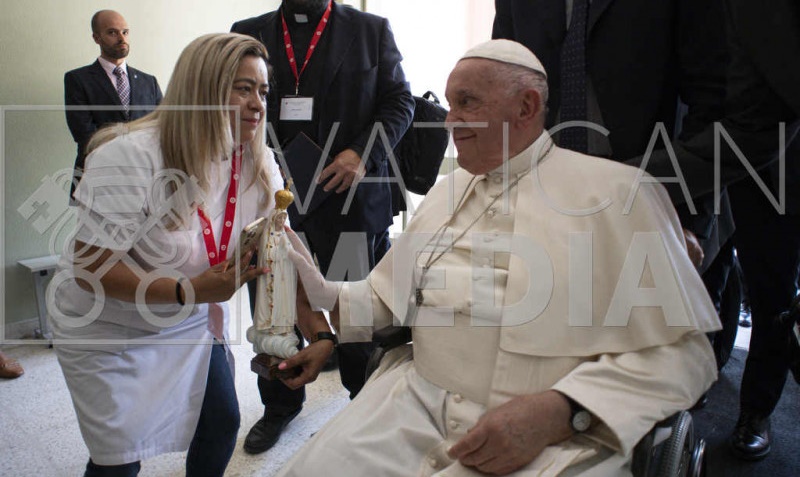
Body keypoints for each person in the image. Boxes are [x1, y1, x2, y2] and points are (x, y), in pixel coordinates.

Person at [276, 40, 720, 476]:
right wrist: (323, 289)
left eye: (466, 103)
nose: (449, 122)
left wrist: (561, 412)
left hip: (559, 438)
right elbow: (385, 302)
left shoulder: (618, 193)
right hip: (413, 402)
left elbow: (683, 358)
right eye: (449, 105)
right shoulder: (444, 192)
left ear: (526, 108)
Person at [47, 33, 334, 477]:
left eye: (262, 90)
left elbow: (282, 252)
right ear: (202, 90)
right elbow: (91, 266)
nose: (258, 103)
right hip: (107, 327)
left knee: (221, 422)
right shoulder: (130, 157)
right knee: (119, 458)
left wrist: (319, 333)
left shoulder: (258, 162)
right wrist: (190, 289)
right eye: (242, 88)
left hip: (187, 313)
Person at [492, 0, 738, 374]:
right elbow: (502, 86)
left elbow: (711, 103)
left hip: (648, 197)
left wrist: (687, 218)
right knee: (546, 350)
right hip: (545, 196)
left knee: (642, 366)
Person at [231, 0, 415, 454]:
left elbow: (400, 102)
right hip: (272, 197)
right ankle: (279, 407)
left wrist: (360, 153)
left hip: (348, 200)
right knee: (273, 309)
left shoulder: (371, 29)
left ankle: (360, 403)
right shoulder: (247, 31)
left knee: (354, 315)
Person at [625, 0, 800, 460]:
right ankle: (702, 373)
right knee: (710, 272)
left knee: (772, 293)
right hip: (713, 151)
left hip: (777, 164)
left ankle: (756, 410)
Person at [64, 10, 163, 200]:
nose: (121, 38)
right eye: (112, 32)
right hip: (98, 178)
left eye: (125, 32)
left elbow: (161, 127)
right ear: (96, 38)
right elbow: (84, 134)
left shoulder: (148, 81)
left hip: (145, 180)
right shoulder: (78, 79)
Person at [248, 186, 301, 359]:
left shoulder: (285, 235)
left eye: (282, 220)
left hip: (282, 276)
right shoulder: (267, 234)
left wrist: (284, 255)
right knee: (265, 301)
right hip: (268, 275)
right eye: (278, 219)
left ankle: (283, 330)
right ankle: (267, 329)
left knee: (283, 303)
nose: (280, 223)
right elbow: (265, 252)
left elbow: (290, 253)